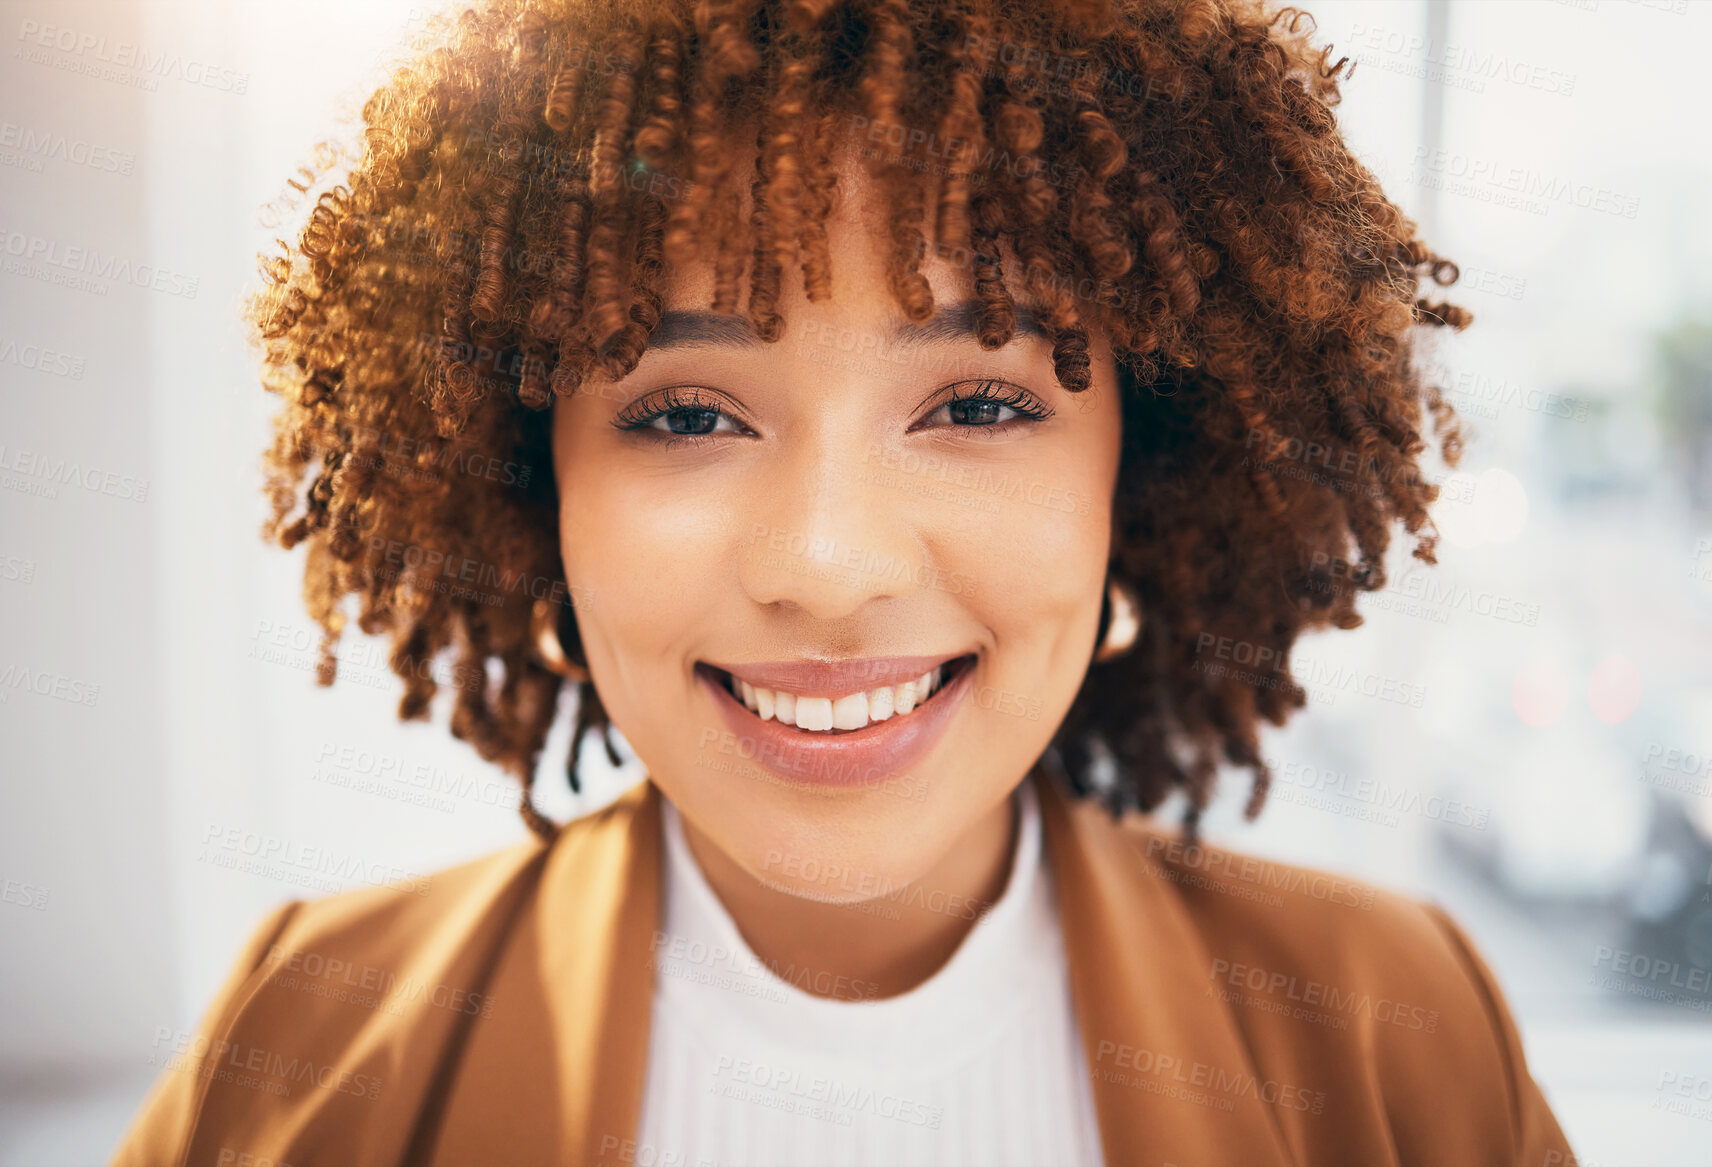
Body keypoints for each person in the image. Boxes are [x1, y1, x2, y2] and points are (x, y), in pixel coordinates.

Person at [113, 0, 1576, 1163]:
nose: (829, 567)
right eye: (686, 414)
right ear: (525, 485)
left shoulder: (1398, 1038)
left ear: (1148, 467)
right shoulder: (298, 1053)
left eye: (982, 404)